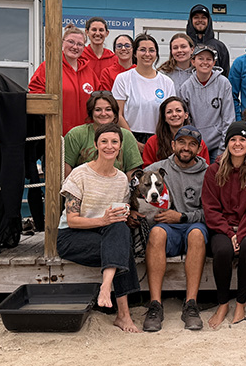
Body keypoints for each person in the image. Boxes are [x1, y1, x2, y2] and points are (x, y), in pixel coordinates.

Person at [57, 122, 140, 332]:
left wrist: (123, 215)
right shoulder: (79, 174)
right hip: (73, 236)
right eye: (104, 141)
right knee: (122, 248)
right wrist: (102, 220)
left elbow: (116, 219)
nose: (109, 146)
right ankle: (122, 313)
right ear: (96, 144)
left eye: (114, 142)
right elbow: (73, 219)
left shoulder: (122, 179)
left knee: (120, 230)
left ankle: (107, 287)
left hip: (105, 235)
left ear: (120, 146)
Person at [137, 125, 209, 332]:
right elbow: (138, 191)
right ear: (173, 145)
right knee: (157, 232)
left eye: (192, 144)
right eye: (182, 143)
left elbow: (211, 212)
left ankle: (191, 304)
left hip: (193, 225)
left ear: (199, 148)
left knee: (196, 234)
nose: (186, 148)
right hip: (167, 228)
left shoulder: (207, 173)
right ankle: (155, 305)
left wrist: (182, 216)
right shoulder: (158, 169)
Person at [202, 121, 246, 329]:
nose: (237, 143)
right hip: (223, 228)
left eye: (242, 139)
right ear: (227, 143)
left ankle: (241, 302)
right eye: (233, 140)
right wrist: (229, 233)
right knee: (222, 249)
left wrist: (240, 235)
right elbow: (210, 208)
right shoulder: (214, 170)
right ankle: (223, 303)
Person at [28, 24, 99, 135]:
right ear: (62, 42)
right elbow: (36, 93)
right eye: (71, 42)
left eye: (80, 44)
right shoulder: (49, 67)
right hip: (57, 134)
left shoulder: (89, 71)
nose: (75, 47)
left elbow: (98, 100)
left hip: (86, 136)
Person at [112, 33, 175, 151]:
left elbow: (171, 116)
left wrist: (158, 141)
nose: (147, 54)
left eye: (151, 50)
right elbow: (118, 114)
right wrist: (133, 141)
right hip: (129, 137)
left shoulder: (167, 82)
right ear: (135, 53)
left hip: (159, 139)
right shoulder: (123, 79)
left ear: (156, 54)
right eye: (142, 50)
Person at [64, 92, 142, 181]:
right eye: (98, 110)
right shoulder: (76, 134)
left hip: (117, 188)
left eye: (108, 109)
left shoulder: (127, 136)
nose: (103, 113)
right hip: (82, 188)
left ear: (115, 113)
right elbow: (66, 167)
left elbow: (132, 170)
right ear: (91, 112)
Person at [177, 44, 235, 163]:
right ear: (193, 61)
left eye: (209, 59)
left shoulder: (223, 83)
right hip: (194, 144)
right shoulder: (185, 87)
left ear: (214, 63)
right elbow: (183, 121)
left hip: (217, 144)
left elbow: (228, 118)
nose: (205, 62)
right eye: (201, 58)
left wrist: (223, 149)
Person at [142, 96, 211, 167]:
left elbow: (205, 171)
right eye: (169, 112)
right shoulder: (152, 142)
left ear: (186, 115)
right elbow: (147, 170)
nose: (174, 114)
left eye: (178, 111)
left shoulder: (198, 142)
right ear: (164, 117)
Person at [186, 4, 231, 77]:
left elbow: (226, 73)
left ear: (208, 21)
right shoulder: (184, 45)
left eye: (203, 17)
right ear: (191, 21)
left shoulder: (219, 47)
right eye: (196, 17)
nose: (200, 20)